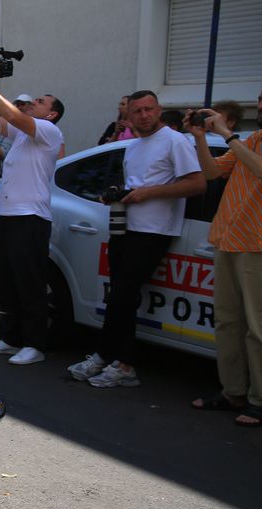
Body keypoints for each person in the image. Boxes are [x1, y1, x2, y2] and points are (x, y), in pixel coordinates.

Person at [67, 91, 205, 388]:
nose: (144, 115)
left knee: (123, 295)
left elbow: (197, 184)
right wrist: (120, 192)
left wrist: (148, 193)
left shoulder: (175, 140)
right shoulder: (134, 145)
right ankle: (108, 357)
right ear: (128, 116)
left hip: (155, 231)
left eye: (149, 109)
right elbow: (136, 184)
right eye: (137, 111)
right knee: (119, 295)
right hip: (124, 227)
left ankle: (122, 363)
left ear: (159, 110)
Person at [0, 63, 65, 366]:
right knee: (7, 279)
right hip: (10, 213)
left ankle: (34, 343)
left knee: (29, 281)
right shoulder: (24, 136)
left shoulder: (49, 132)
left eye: (40, 102)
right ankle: (12, 337)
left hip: (31, 217)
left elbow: (12, 114)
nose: (34, 103)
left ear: (51, 114)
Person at [187, 103, 262, 427]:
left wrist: (228, 135)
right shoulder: (252, 139)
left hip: (256, 245)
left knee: (257, 329)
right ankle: (233, 392)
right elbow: (212, 172)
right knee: (227, 322)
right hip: (228, 240)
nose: (259, 107)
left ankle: (259, 400)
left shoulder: (241, 141)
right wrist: (200, 138)